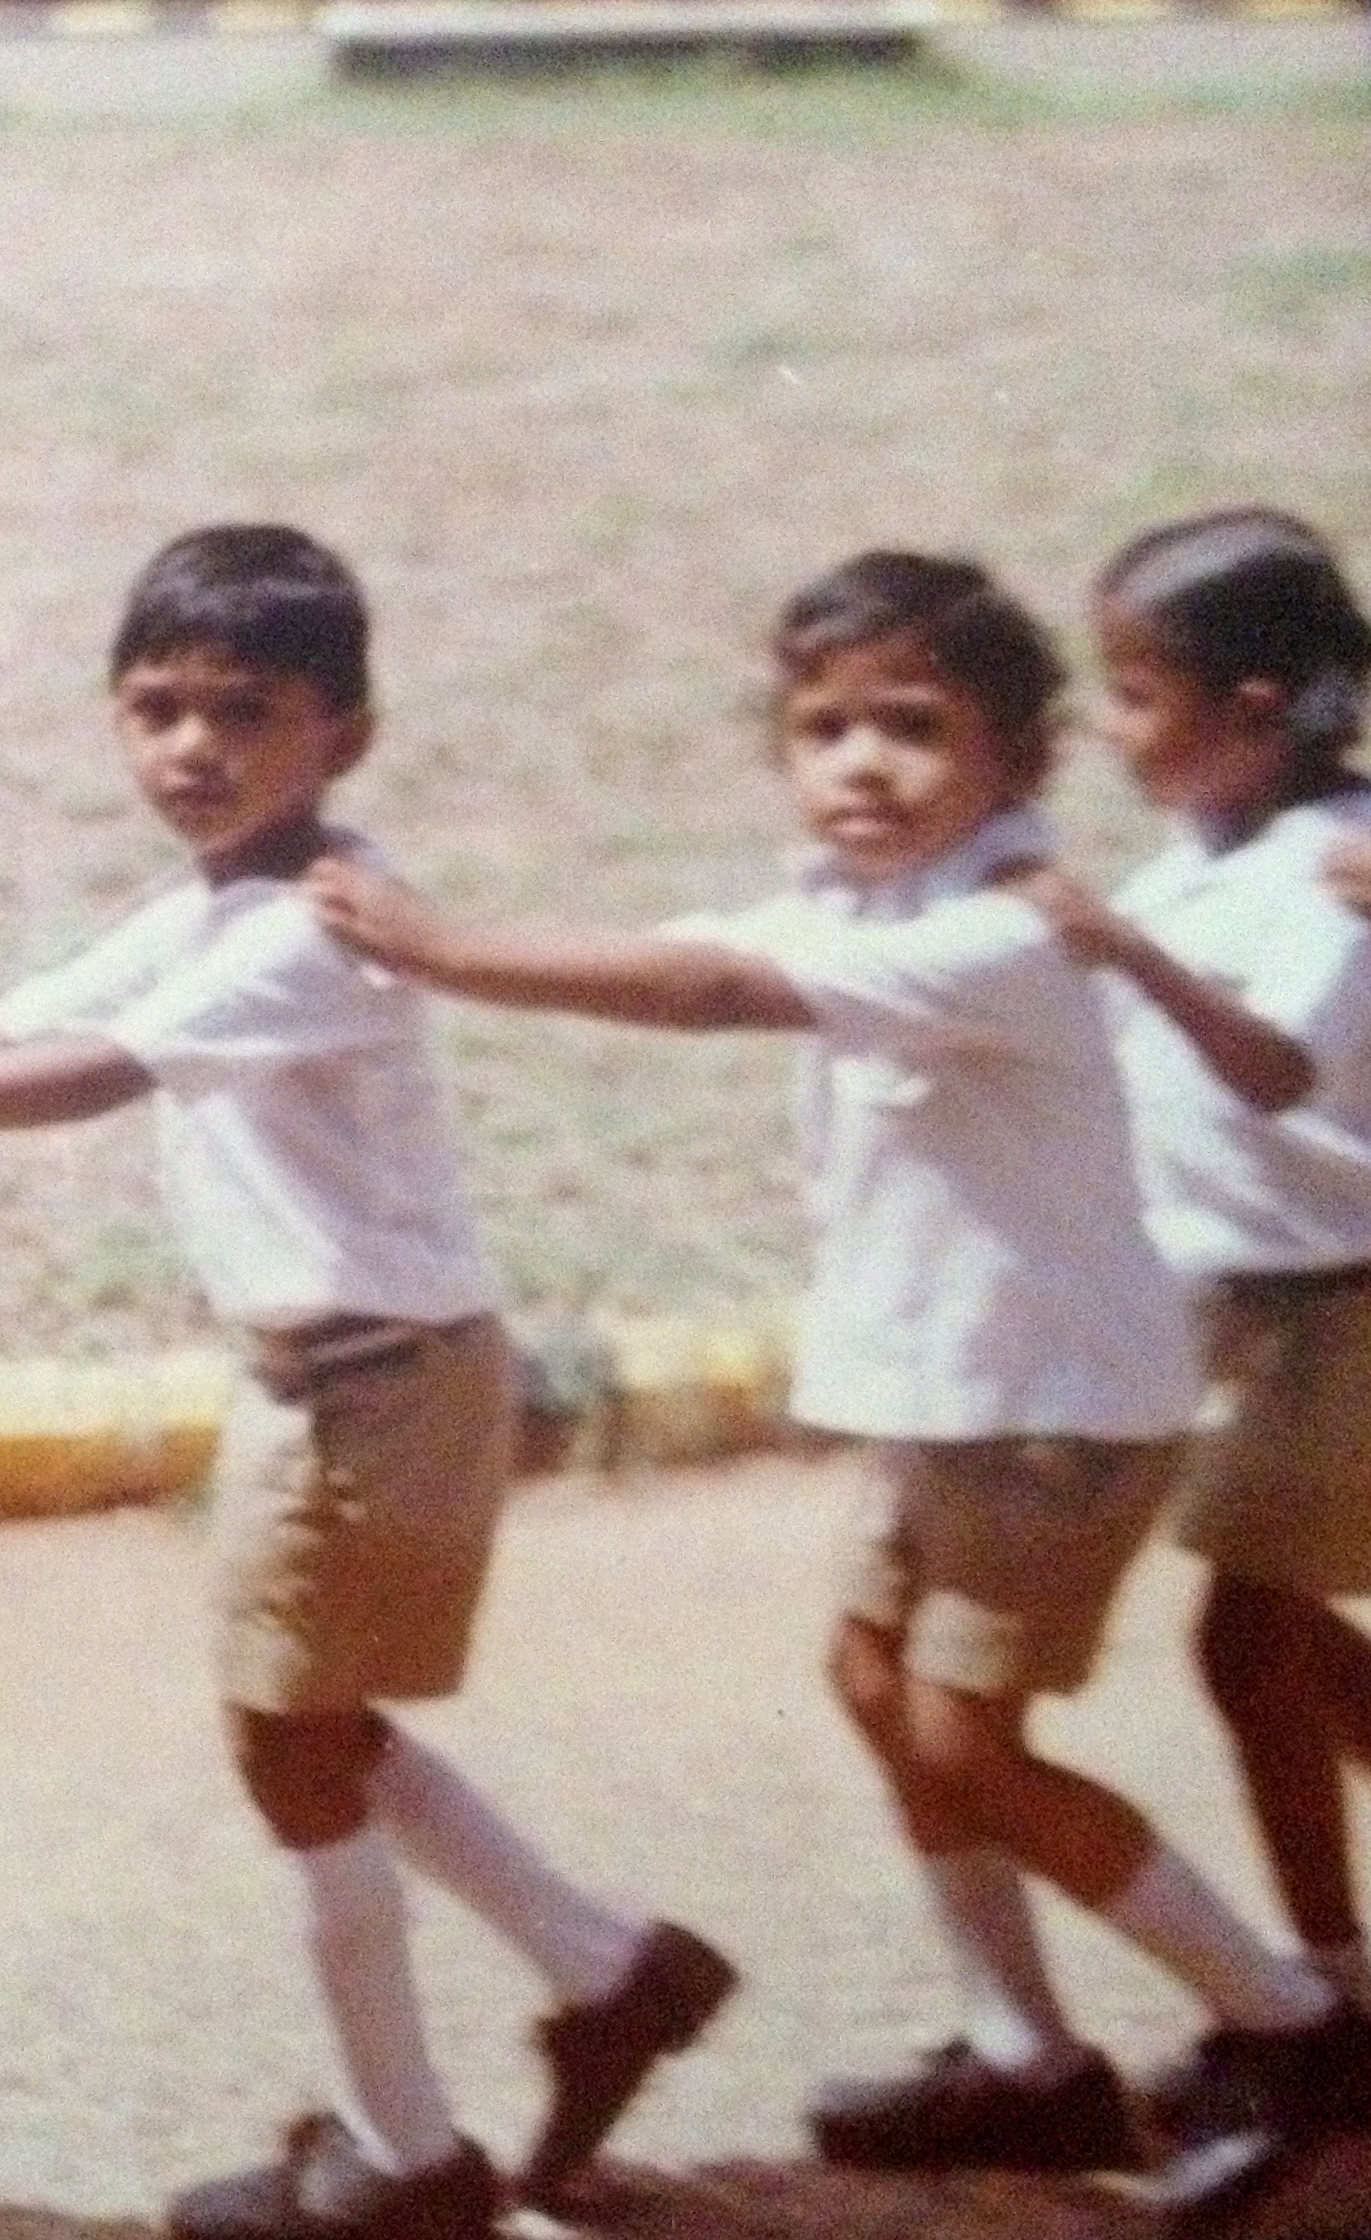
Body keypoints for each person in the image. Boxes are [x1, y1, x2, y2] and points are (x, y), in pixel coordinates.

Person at [0, 525, 737, 2240]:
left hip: (377, 1384)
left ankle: (406, 2158)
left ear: (345, 733)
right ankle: (607, 1967)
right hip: (334, 1379)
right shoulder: (213, 903)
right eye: (155, 708)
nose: (190, 749)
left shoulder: (321, 927)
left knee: (290, 1751)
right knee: (314, 1727)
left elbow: (87, 1077)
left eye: (243, 712)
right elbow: (2, 1027)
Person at [306, 551, 1371, 2179]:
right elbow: (702, 939)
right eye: (825, 727)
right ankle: (1027, 2055)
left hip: (1052, 1412)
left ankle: (1290, 2026)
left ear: (1019, 762)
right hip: (955, 1397)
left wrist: (445, 948)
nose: (862, 764)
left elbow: (712, 988)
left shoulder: (1006, 929)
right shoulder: (877, 898)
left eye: (915, 728)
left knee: (968, 1740)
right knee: (876, 1686)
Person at [1081, 513, 1371, 2066]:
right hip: (1231, 1312)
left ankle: (1330, 1976)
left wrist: (1123, 955)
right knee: (1283, 1637)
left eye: (1138, 695)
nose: (1115, 734)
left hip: (1336, 1312)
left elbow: (1268, 1074)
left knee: (1246, 1647)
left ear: (1255, 702)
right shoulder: (1200, 868)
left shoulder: (1341, 874)